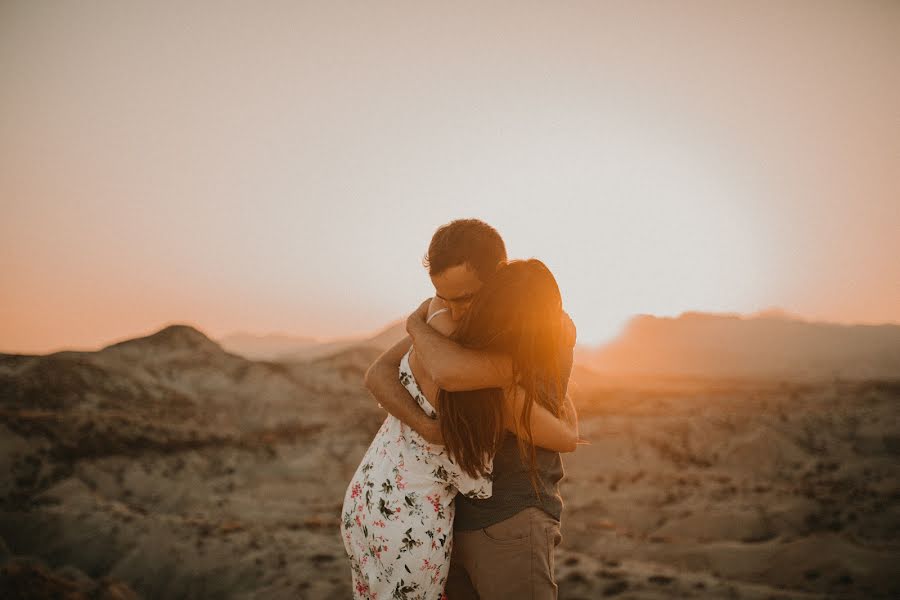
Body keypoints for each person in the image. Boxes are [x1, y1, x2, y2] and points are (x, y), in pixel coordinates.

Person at [364, 219, 578, 599]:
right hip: (446, 519)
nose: (452, 312)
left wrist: (417, 325)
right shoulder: (458, 326)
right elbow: (378, 372)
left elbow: (449, 373)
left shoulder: (541, 326)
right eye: (442, 298)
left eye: (462, 299)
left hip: (511, 517)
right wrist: (424, 425)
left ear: (499, 276)